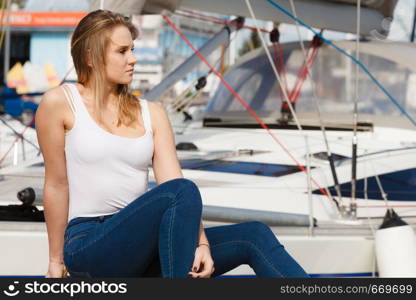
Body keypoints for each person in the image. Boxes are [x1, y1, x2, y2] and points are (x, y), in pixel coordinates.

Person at [35, 9, 309, 278]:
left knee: (254, 234)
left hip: (145, 245)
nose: (133, 59)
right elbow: (57, 184)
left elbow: (173, 183)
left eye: (132, 49)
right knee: (181, 191)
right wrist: (55, 261)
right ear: (90, 56)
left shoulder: (151, 113)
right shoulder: (60, 103)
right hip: (89, 244)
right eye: (122, 51)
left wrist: (201, 244)